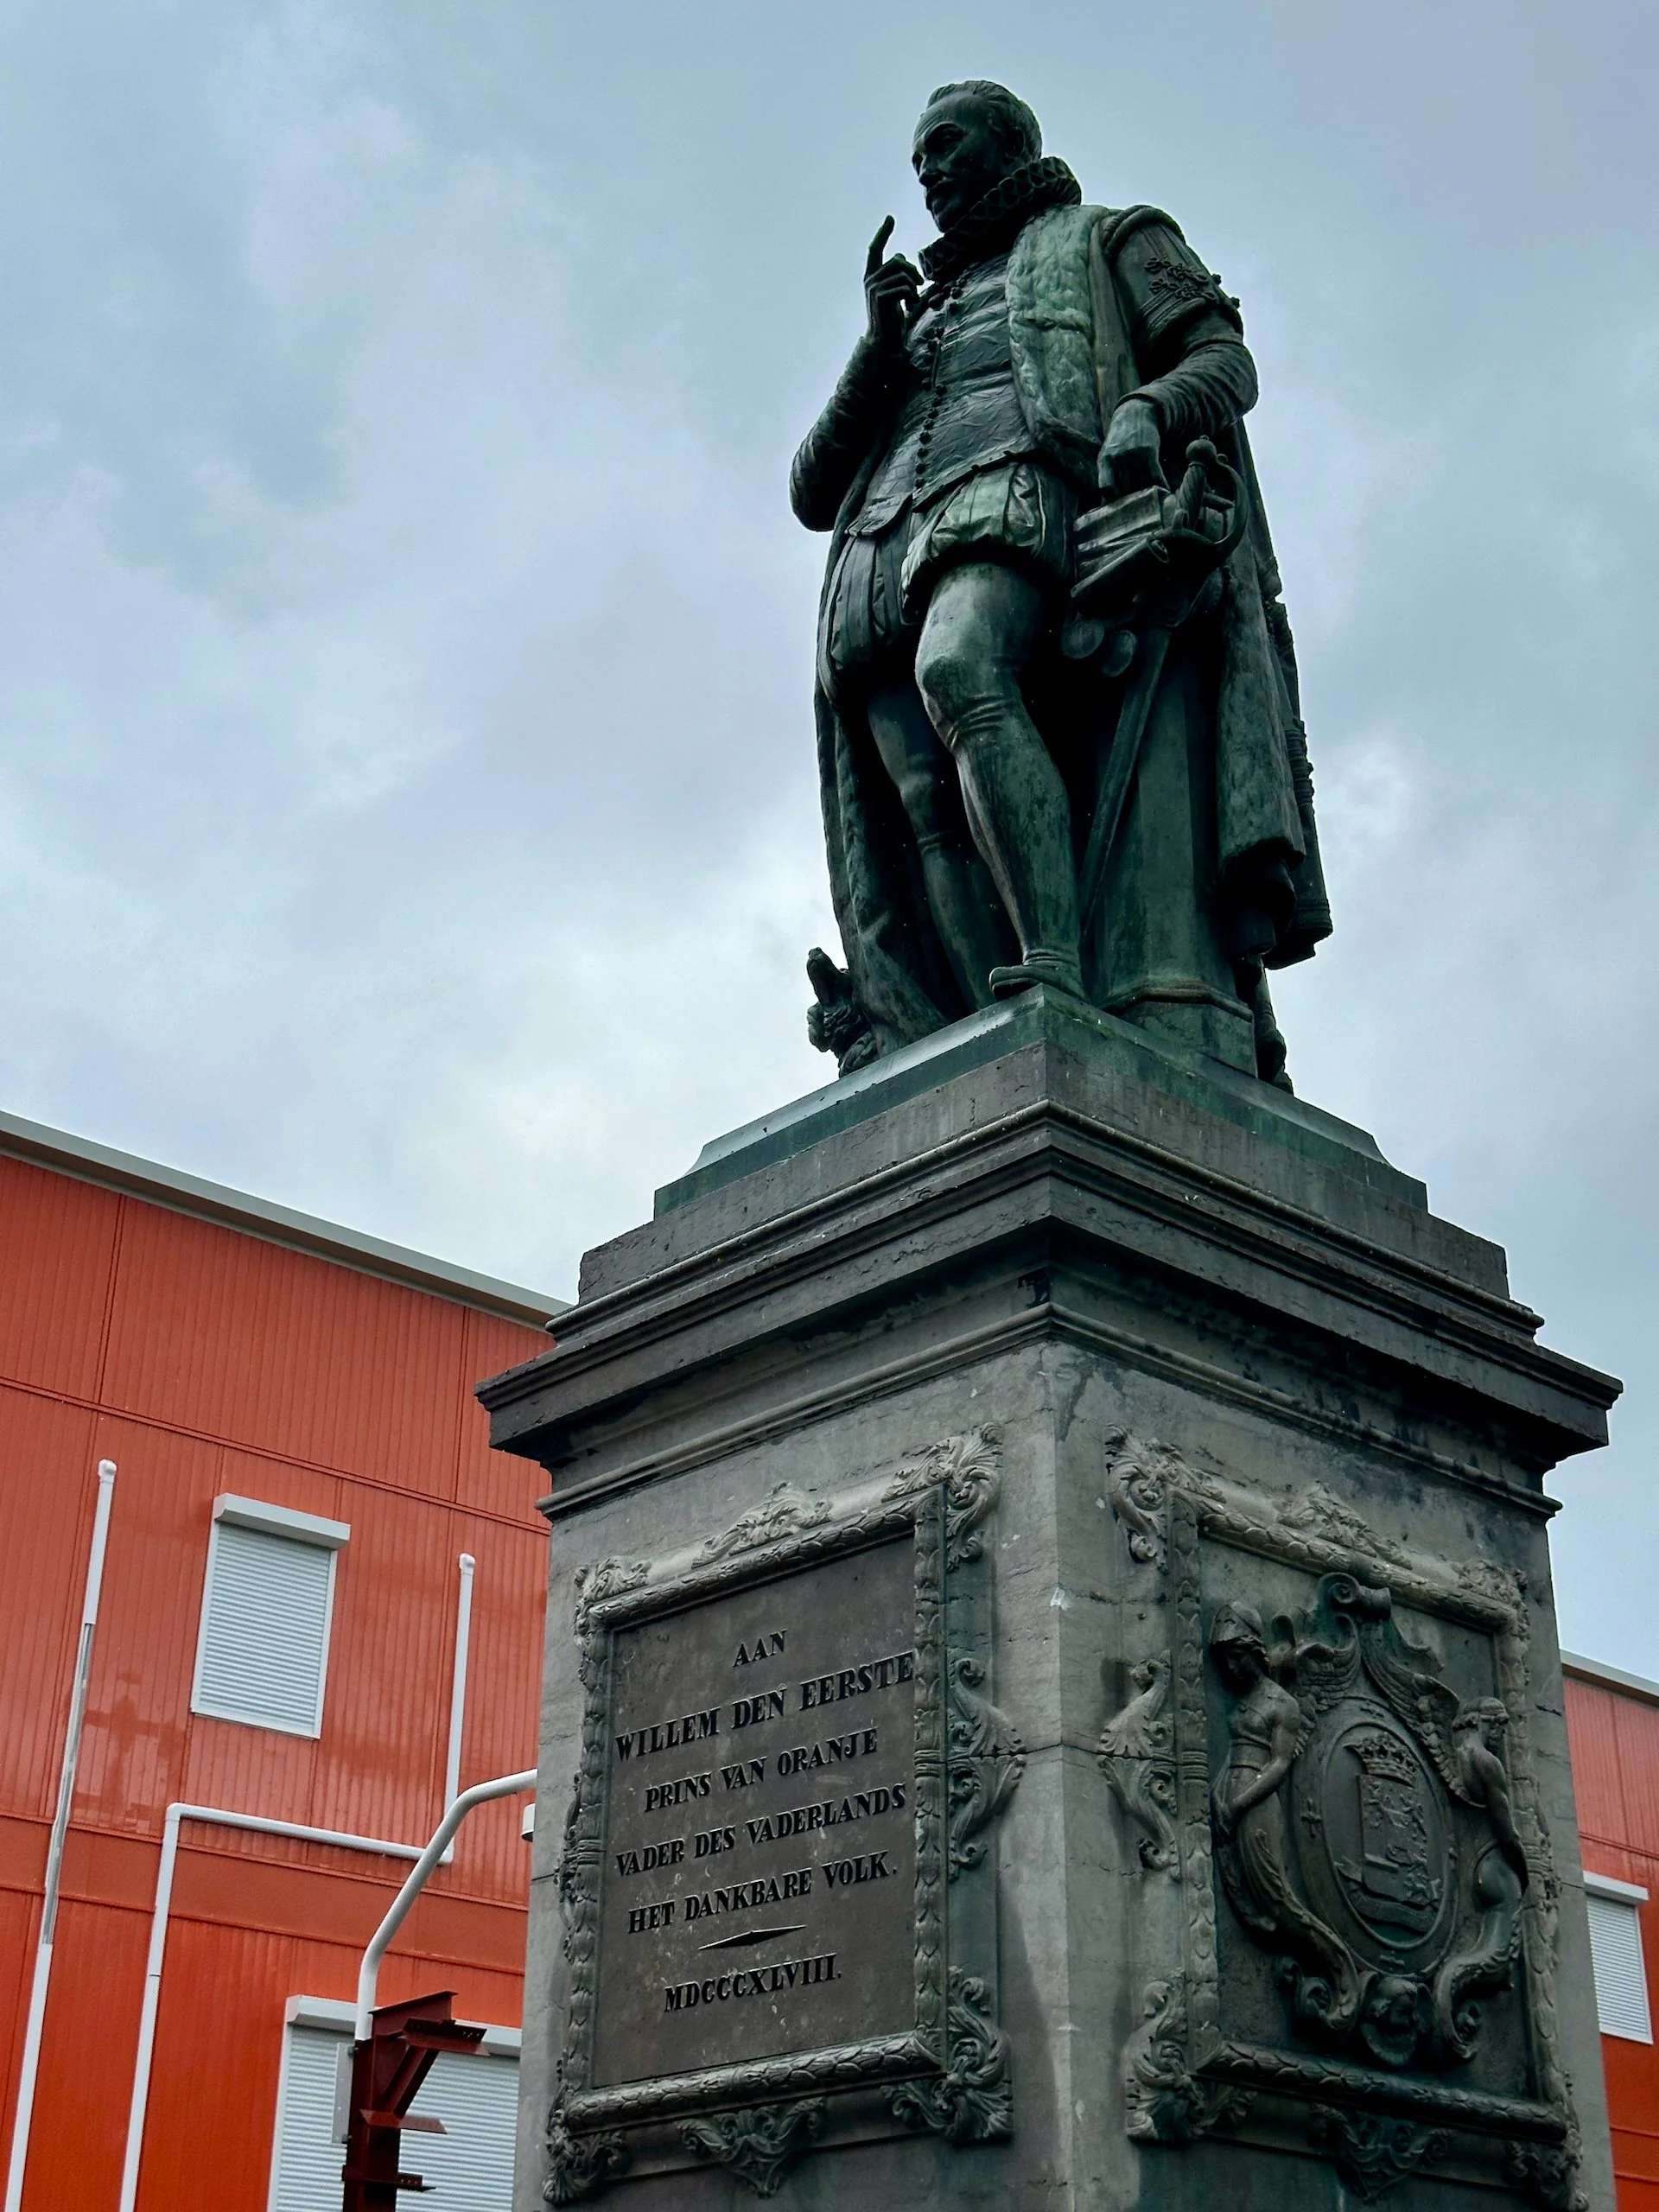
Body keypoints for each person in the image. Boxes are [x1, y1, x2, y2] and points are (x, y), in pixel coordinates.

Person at [794, 80, 1330, 1084]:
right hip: (873, 559)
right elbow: (812, 489)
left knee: (964, 671)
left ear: (1009, 144)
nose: (931, 173)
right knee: (921, 802)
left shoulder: (1112, 234)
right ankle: (968, 1024)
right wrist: (873, 352)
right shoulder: (910, 321)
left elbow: (1223, 359)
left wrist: (1152, 412)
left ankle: (1056, 966)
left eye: (947, 147)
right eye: (918, 161)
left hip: (1012, 498)